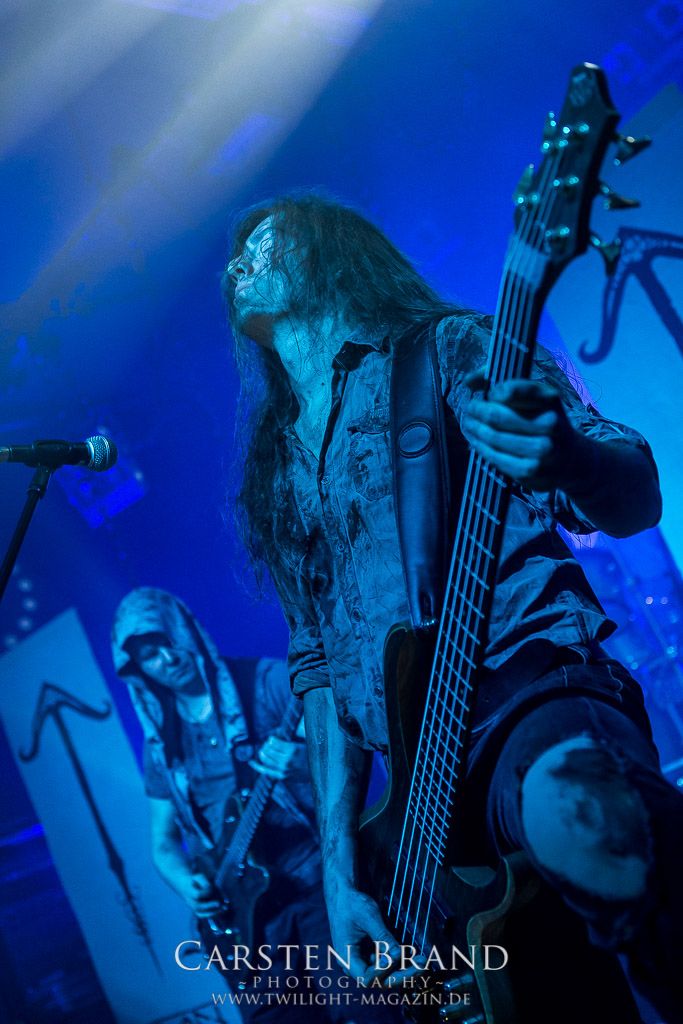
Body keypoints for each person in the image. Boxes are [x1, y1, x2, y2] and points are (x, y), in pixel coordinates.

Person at [224, 192, 683, 1023]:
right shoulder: (277, 467)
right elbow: (318, 670)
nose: (239, 263)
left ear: (330, 254)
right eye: (237, 253)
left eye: (266, 244)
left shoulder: (448, 349)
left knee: (593, 819)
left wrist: (569, 456)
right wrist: (340, 879)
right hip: (417, 794)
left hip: (525, 689)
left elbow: (633, 496)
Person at [111, 587, 355, 1024]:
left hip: (316, 887)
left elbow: (352, 746)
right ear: (138, 671)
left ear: (186, 631)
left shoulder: (264, 683)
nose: (166, 660)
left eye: (167, 641)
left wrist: (306, 764)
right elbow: (162, 842)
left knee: (362, 1010)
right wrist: (186, 883)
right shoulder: (160, 746)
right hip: (244, 923)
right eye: (149, 657)